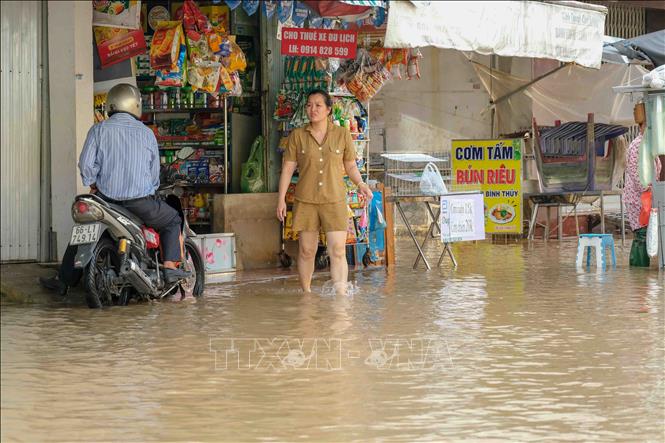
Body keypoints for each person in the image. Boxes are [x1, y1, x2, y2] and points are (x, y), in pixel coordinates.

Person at [80, 83, 189, 283]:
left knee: (86, 228)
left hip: (105, 200)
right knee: (173, 220)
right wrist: (152, 186)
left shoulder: (98, 130)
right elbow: (154, 173)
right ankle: (170, 268)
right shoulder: (146, 133)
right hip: (139, 203)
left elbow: (86, 165)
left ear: (111, 104)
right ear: (135, 105)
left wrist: (93, 183)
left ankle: (63, 280)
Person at [276, 89, 373, 295]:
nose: (313, 109)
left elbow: (351, 166)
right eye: (309, 105)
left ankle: (340, 296)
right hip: (306, 200)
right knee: (307, 251)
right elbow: (288, 168)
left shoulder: (342, 134)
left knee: (337, 250)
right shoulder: (297, 136)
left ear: (329, 110)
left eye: (318, 105)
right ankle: (307, 296)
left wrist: (361, 185)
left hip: (335, 199)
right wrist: (281, 200)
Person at [623, 102, 661, 267]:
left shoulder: (648, 144)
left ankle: (640, 277)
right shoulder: (639, 144)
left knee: (644, 234)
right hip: (638, 198)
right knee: (641, 234)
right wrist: (647, 188)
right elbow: (635, 171)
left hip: (646, 196)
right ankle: (638, 273)